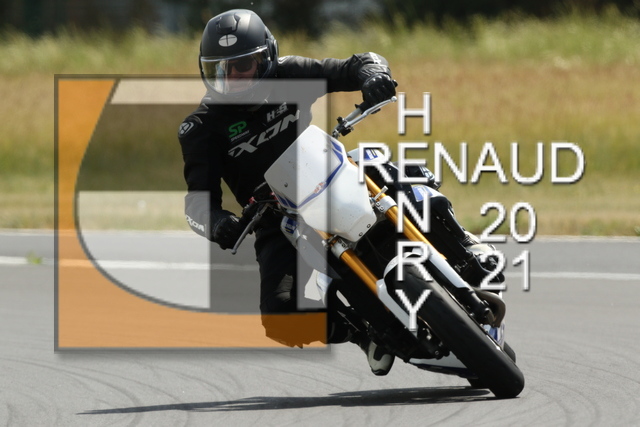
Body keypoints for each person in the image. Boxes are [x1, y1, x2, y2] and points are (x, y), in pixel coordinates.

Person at [178, 9, 397, 375]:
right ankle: (361, 332)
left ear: (266, 58)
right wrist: (218, 224)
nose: (231, 78)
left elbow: (356, 64)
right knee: (280, 317)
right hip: (278, 218)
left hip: (334, 176)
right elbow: (197, 204)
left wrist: (373, 74)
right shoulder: (200, 127)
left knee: (389, 168)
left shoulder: (290, 72)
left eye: (242, 65)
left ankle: (462, 244)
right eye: (220, 69)